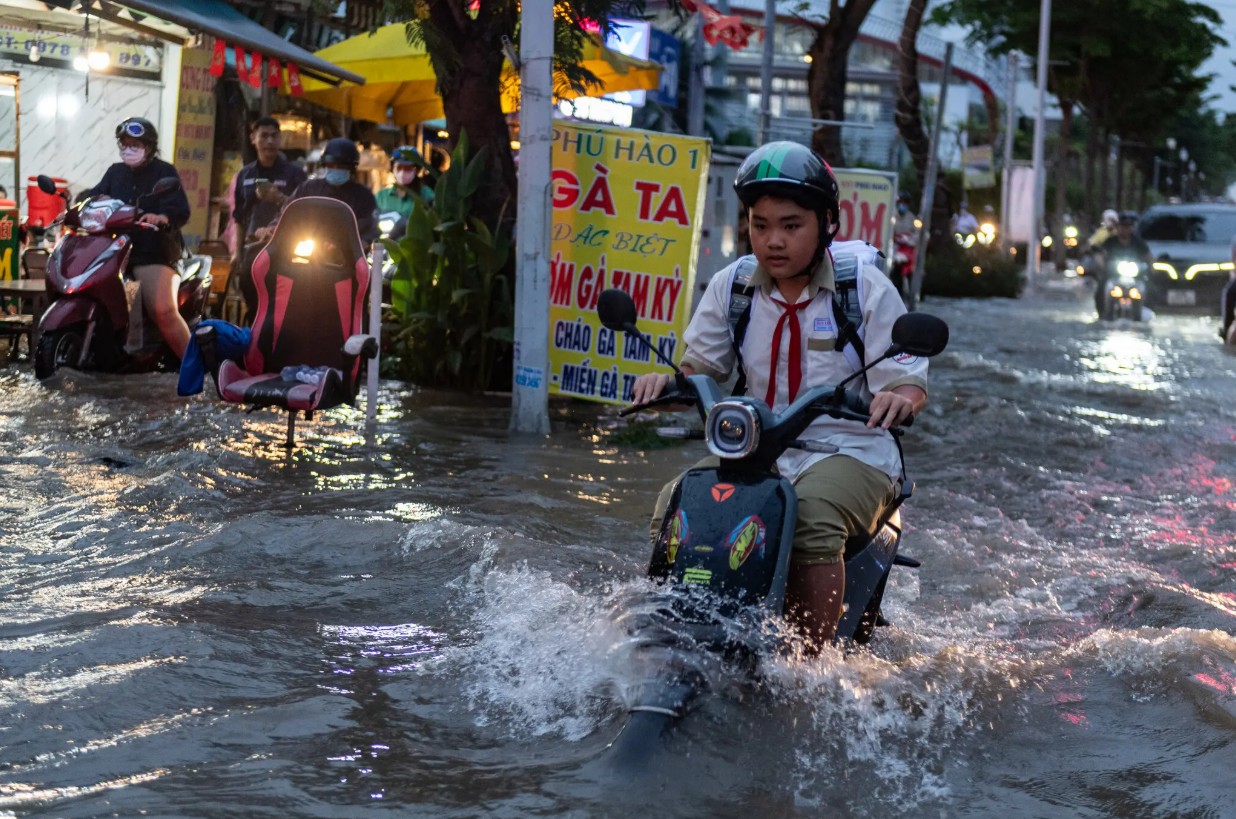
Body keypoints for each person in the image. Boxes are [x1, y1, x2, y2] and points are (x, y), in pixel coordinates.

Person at [631, 141, 929, 653]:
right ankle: (662, 639)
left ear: (826, 223)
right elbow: (700, 366)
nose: (773, 240)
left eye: (791, 225)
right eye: (760, 223)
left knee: (811, 515)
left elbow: (906, 381)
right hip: (759, 448)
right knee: (676, 502)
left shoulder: (866, 291)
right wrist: (668, 382)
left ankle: (806, 667)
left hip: (851, 448)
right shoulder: (734, 286)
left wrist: (900, 398)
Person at [88, 116, 192, 359]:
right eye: (125, 144)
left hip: (153, 251)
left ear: (150, 147)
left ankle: (195, 365)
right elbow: (93, 197)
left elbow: (179, 210)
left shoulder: (165, 172)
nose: (129, 149)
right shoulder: (115, 173)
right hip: (117, 253)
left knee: (163, 310)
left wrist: (161, 217)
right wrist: (83, 206)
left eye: (136, 145)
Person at [232, 116, 307, 320]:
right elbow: (239, 217)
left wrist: (280, 198)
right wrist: (237, 254)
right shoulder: (245, 175)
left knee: (283, 302)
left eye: (275, 136)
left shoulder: (295, 175)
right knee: (251, 295)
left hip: (287, 248)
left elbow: (303, 210)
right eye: (264, 136)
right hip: (252, 247)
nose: (270, 141)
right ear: (253, 139)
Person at [255, 137, 378, 246]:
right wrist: (272, 228)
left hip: (344, 256)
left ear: (352, 168)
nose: (336, 169)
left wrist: (362, 243)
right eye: (331, 165)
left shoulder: (364, 196)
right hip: (306, 248)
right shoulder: (308, 188)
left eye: (342, 166)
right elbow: (288, 211)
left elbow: (370, 227)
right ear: (324, 164)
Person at [1095, 212, 1153, 316]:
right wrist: (1102, 265)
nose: (1124, 230)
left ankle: (1148, 310)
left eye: (1127, 227)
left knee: (1151, 288)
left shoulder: (1138, 242)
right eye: (1122, 227)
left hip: (1136, 276)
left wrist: (1151, 268)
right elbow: (1101, 254)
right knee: (1100, 288)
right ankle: (1102, 314)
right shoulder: (1110, 241)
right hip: (1113, 274)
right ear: (1117, 227)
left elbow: (1148, 256)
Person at [375, 145, 433, 223]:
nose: (402, 172)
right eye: (399, 167)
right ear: (393, 168)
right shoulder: (381, 196)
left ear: (417, 170)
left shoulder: (427, 195)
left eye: (408, 168)